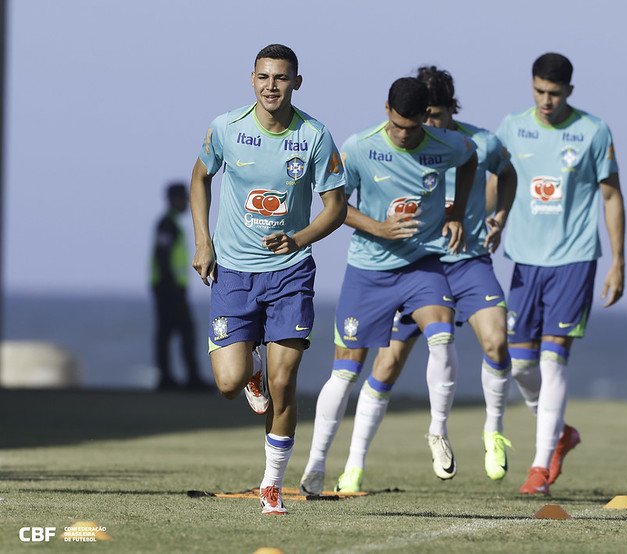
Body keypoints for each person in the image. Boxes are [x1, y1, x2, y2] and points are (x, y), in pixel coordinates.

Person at [327, 66, 517, 493]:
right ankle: (354, 465)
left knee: (497, 340)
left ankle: (493, 430)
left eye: (435, 115)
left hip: (466, 261)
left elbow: (507, 173)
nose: (426, 126)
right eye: (421, 117)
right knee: (387, 363)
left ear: (451, 109)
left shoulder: (477, 143)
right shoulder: (395, 144)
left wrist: (499, 217)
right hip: (415, 264)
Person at [298, 76, 478, 496]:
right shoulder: (360, 147)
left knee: (442, 335)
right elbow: (334, 206)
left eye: (412, 128)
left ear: (425, 119)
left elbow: (470, 159)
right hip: (369, 271)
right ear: (386, 111)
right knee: (346, 371)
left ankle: (438, 431)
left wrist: (455, 213)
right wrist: (378, 227)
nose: (403, 135)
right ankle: (316, 463)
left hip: (421, 264)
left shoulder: (446, 144)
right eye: (397, 125)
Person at [189, 44, 347, 515]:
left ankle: (272, 486)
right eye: (263, 77)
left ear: (297, 82)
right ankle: (249, 371)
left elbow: (336, 208)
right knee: (228, 382)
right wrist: (203, 241)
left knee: (284, 382)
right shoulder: (226, 128)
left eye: (280, 77)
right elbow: (199, 179)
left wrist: (297, 239)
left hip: (290, 274)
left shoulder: (314, 136)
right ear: (252, 79)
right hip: (234, 273)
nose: (271, 86)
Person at [494, 53, 625, 494]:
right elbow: (497, 181)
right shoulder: (512, 127)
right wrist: (488, 220)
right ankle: (560, 434)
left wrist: (618, 262)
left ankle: (538, 468)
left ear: (569, 90)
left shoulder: (593, 131)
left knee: (552, 360)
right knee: (520, 366)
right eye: (539, 91)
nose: (545, 101)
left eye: (554, 93)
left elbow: (611, 196)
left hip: (574, 259)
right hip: (524, 261)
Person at [151, 182, 208, 390]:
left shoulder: (171, 223)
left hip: (169, 287)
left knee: (169, 333)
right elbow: (163, 255)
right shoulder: (167, 224)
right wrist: (172, 285)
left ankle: (169, 377)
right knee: (183, 332)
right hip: (170, 288)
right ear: (174, 199)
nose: (186, 202)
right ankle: (186, 378)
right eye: (183, 198)